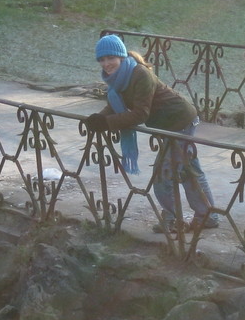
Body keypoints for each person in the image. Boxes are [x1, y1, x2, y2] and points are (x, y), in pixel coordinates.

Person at [84, 34, 219, 234]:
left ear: (120, 56)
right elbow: (114, 106)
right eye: (102, 59)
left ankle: (174, 219)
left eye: (110, 58)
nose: (106, 64)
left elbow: (140, 113)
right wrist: (98, 118)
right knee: (188, 169)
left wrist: (105, 123)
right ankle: (207, 216)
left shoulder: (139, 74)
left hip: (179, 120)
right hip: (167, 125)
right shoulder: (116, 79)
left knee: (164, 172)